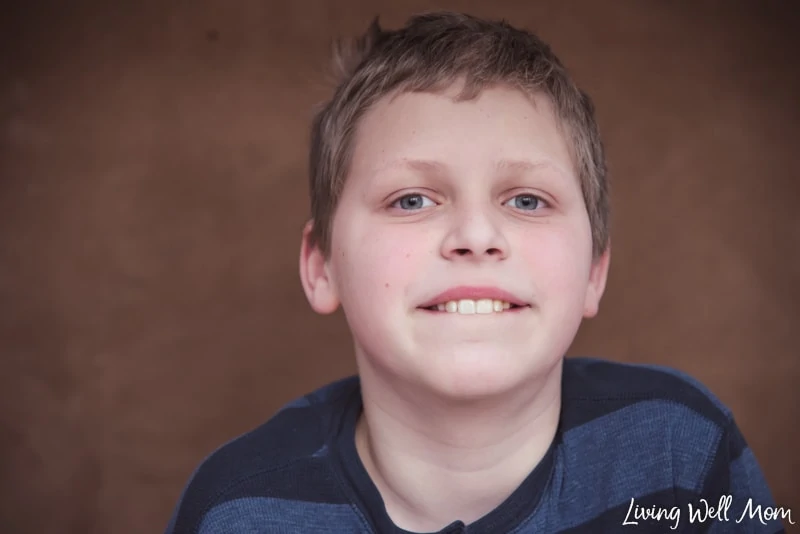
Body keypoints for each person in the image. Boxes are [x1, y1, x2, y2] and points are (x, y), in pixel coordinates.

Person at [165, 11, 787, 533]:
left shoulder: (680, 451)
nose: (476, 236)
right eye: (411, 199)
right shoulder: (238, 512)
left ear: (595, 269)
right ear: (321, 264)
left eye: (526, 201)